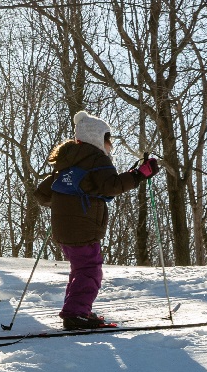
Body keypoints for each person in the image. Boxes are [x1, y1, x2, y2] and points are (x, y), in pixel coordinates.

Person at [34, 110, 159, 330]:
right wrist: (140, 174)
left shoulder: (67, 162)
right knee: (90, 269)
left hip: (63, 230)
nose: (110, 145)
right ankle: (75, 314)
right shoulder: (97, 159)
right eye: (108, 139)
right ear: (97, 138)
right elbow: (111, 185)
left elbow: (43, 194)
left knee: (79, 269)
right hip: (84, 227)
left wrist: (66, 201)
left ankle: (79, 310)